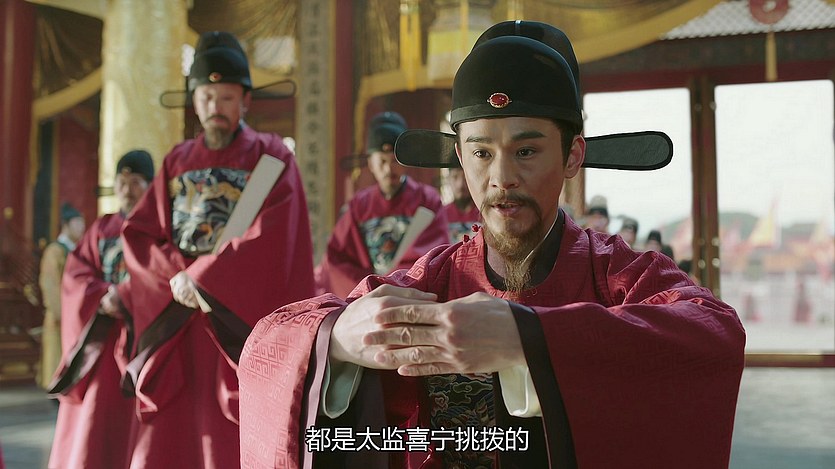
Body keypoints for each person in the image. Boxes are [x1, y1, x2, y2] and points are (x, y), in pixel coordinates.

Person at [238, 21, 745, 468]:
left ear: (572, 156)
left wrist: (528, 337)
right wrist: (339, 338)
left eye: (526, 151)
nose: (502, 178)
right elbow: (271, 342)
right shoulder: (433, 280)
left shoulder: (616, 273)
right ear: (460, 158)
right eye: (481, 153)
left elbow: (714, 332)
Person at [117, 31, 315, 468]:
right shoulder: (176, 161)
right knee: (171, 440)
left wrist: (204, 278)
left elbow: (275, 237)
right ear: (194, 101)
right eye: (207, 97)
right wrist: (177, 274)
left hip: (233, 323)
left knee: (232, 439)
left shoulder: (272, 158)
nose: (215, 107)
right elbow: (140, 234)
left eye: (226, 98)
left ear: (245, 101)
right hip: (178, 322)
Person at [47, 150, 154, 469]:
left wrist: (128, 296)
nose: (127, 190)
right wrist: (104, 295)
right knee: (96, 419)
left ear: (150, 186)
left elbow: (163, 275)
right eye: (122, 182)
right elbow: (76, 275)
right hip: (103, 339)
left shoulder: (160, 229)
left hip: (144, 340)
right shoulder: (102, 228)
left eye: (136, 182)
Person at [314, 111, 449, 298]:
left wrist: (395, 286)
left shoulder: (427, 201)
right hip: (368, 296)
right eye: (382, 161)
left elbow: (434, 256)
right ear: (370, 163)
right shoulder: (359, 206)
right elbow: (338, 259)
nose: (388, 169)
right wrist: (369, 290)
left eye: (395, 161)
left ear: (406, 161)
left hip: (412, 296)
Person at [37, 202, 85, 390]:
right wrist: (64, 314)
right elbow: (50, 285)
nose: (81, 227)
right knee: (56, 367)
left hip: (76, 317)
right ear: (66, 224)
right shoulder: (55, 251)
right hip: (60, 319)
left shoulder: (78, 250)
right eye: (77, 222)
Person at [440, 167, 480, 243]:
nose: (460, 185)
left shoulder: (485, 214)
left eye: (466, 178)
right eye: (455, 177)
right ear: (448, 180)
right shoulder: (440, 215)